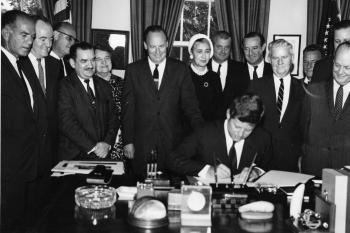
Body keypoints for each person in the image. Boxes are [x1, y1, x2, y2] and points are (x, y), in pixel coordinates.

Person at [122, 25, 204, 180]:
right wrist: (128, 141)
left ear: (167, 44)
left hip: (173, 144)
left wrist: (202, 136)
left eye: (161, 46)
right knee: (142, 190)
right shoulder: (133, 70)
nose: (158, 52)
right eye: (153, 47)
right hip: (142, 144)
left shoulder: (180, 69)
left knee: (172, 191)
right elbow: (128, 109)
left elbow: (191, 108)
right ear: (145, 46)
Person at [1, 10, 50, 231]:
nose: (29, 41)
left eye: (32, 36)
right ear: (5, 33)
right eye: (24, 35)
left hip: (26, 169)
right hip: (7, 172)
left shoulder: (18, 65)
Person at [167, 94, 272, 182]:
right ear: (228, 114)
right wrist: (207, 170)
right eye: (237, 126)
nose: (240, 134)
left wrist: (256, 172)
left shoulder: (262, 137)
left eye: (248, 130)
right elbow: (173, 159)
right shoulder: (205, 132)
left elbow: (267, 165)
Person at [249, 39, 304, 172]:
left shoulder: (304, 90)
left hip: (292, 162)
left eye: (284, 57)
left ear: (292, 58)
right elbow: (248, 123)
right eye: (275, 58)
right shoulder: (255, 86)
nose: (280, 62)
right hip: (259, 161)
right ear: (269, 59)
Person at [58, 42, 118, 160]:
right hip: (75, 157)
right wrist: (94, 147)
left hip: (103, 156)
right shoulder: (64, 86)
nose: (90, 65)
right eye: (84, 61)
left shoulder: (104, 85)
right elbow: (67, 122)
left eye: (92, 60)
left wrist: (107, 143)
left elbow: (113, 118)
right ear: (72, 63)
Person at [302, 42, 350, 177]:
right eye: (337, 65)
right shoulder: (313, 90)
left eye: (347, 67)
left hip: (346, 174)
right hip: (314, 170)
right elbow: (302, 130)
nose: (340, 72)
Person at [20, 15, 61, 164]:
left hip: (51, 149)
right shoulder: (18, 64)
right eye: (43, 39)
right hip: (26, 149)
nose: (48, 44)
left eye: (51, 39)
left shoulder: (55, 65)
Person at [208, 31, 249, 118]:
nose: (223, 51)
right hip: (205, 125)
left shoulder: (242, 69)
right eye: (219, 47)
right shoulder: (202, 68)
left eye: (227, 47)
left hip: (232, 123)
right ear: (212, 46)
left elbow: (244, 99)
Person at [94, 44, 125, 160]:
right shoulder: (89, 85)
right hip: (97, 145)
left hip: (121, 143)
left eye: (107, 58)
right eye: (99, 59)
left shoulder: (123, 83)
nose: (104, 62)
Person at [187, 34, 221, 121]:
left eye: (207, 51)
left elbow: (218, 109)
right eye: (199, 51)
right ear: (191, 52)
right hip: (186, 130)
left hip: (209, 129)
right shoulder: (183, 75)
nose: (203, 56)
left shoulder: (214, 77)